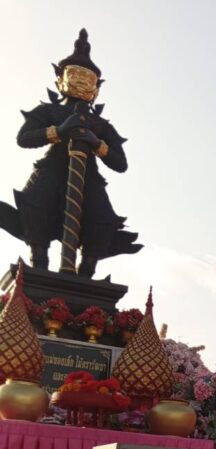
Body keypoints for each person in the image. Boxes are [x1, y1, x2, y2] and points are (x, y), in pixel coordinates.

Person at [0, 28, 140, 276]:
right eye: (75, 75)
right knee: (36, 209)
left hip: (88, 177)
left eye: (88, 79)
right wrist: (59, 131)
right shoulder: (49, 112)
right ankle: (39, 267)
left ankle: (85, 273)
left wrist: (97, 143)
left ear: (96, 88)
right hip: (51, 170)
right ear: (60, 80)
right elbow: (24, 138)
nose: (81, 82)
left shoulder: (101, 125)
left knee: (100, 220)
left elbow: (120, 163)